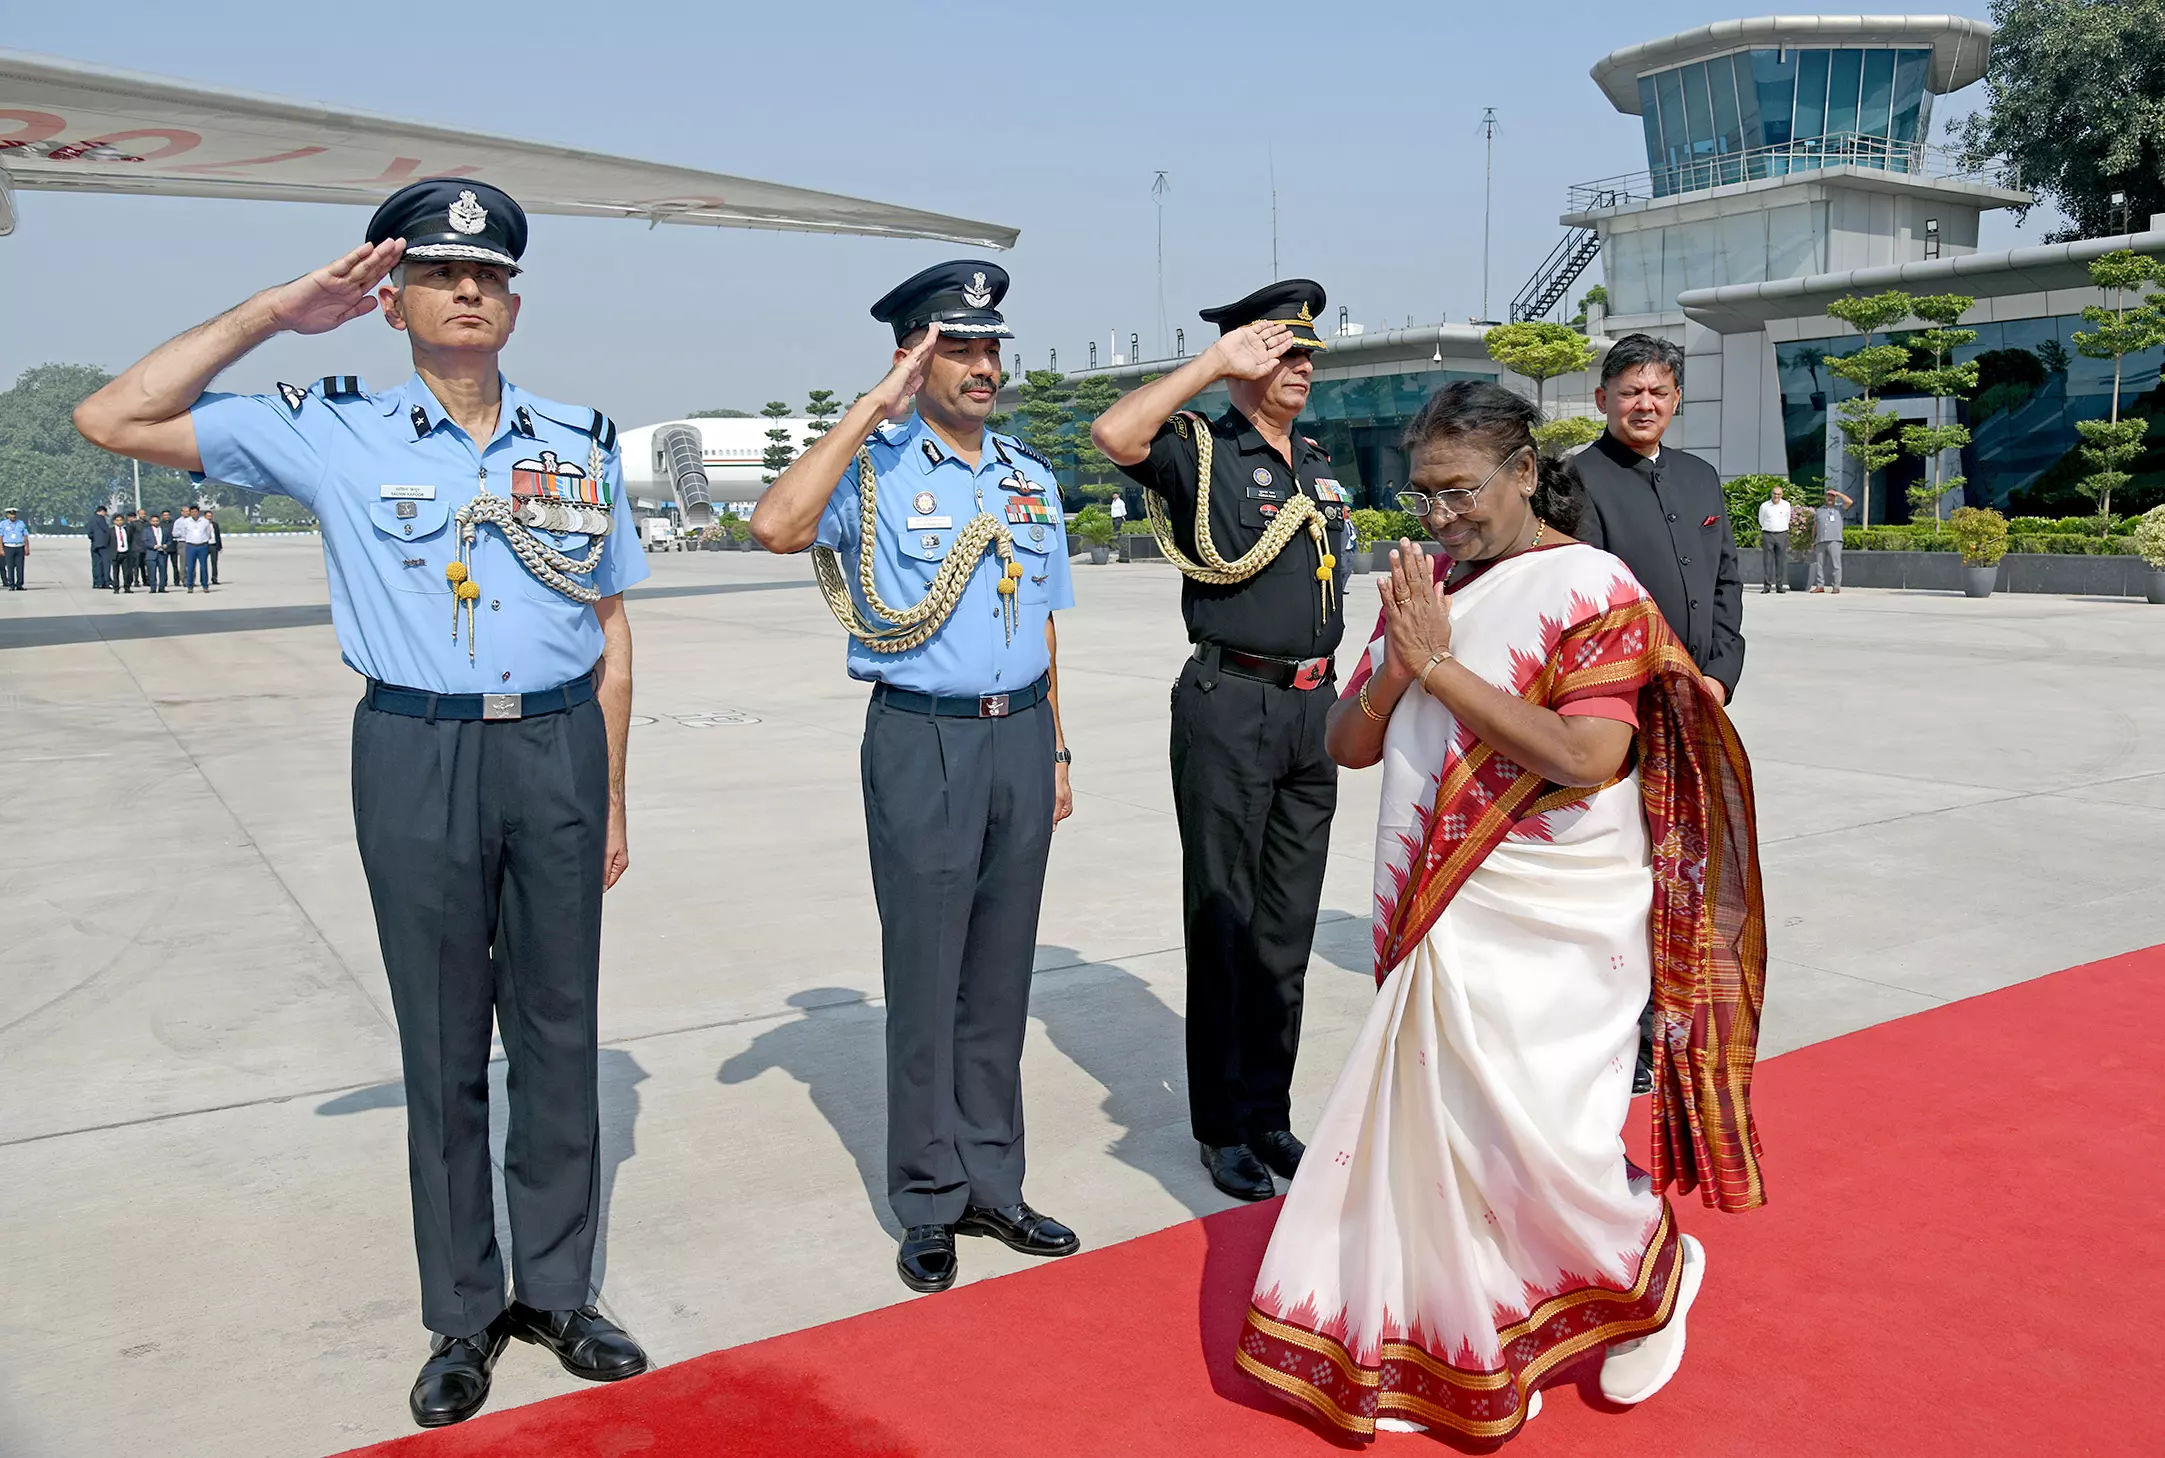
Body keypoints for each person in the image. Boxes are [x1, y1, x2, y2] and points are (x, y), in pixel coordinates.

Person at [75, 177, 652, 1429]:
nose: (468, 291)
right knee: (443, 1044)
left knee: (559, 1036)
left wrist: (608, 793)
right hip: (415, 749)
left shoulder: (579, 440)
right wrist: (278, 313)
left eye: (489, 275)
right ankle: (462, 1314)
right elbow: (113, 416)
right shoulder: (328, 426)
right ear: (390, 300)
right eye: (442, 273)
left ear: (512, 299)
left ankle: (558, 1291)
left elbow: (609, 630)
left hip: (553, 748)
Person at [1237, 381, 1767, 1443]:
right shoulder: (1425, 581)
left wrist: (1437, 663)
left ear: (1522, 472)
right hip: (1443, 914)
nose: (1438, 517)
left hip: (1556, 908)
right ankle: (1481, 1340)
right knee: (1455, 1145)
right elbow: (1347, 744)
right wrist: (1397, 664)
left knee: (1546, 1140)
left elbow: (1586, 758)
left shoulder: (1589, 586)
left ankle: (1655, 1278)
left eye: (1458, 492)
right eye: (1421, 496)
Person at [750, 261, 1081, 1296]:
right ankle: (929, 1197)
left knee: (998, 980)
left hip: (1019, 738)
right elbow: (774, 526)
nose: (983, 366)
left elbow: (1044, 623)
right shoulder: (873, 470)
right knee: (928, 978)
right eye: (958, 349)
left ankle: (994, 1180)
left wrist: (1058, 747)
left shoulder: (1027, 476)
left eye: (990, 348)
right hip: (921, 740)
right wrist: (870, 411)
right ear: (912, 358)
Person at [1092, 281, 1351, 1203]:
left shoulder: (1318, 461)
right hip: (1230, 699)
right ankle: (1222, 1128)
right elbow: (1113, 437)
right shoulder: (1200, 449)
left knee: (1285, 928)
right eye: (1282, 353)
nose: (1300, 370)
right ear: (1246, 360)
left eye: (1307, 355)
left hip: (1312, 713)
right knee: (1225, 919)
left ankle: (1270, 1113)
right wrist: (1209, 365)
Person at [1811, 487, 1853, 593]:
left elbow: (1849, 502)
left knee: (1836, 565)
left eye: (1832, 496)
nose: (1830, 498)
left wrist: (1838, 493)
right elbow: (1815, 526)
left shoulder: (1839, 508)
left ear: (1835, 498)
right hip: (1820, 540)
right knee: (1819, 565)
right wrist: (1813, 540)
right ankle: (1820, 586)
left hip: (1834, 540)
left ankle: (1836, 586)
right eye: (1828, 496)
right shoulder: (1820, 510)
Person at [1757, 482, 1792, 593]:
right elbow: (1761, 520)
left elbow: (1787, 518)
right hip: (1768, 534)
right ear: (1771, 494)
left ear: (1782, 495)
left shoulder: (1786, 505)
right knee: (1767, 561)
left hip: (1781, 534)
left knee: (1780, 561)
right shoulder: (1764, 506)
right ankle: (1767, 586)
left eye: (1779, 494)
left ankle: (1779, 586)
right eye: (1774, 494)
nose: (1776, 496)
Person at [178, 505, 214, 592]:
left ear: (198, 512)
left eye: (196, 512)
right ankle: (190, 586)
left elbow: (208, 533)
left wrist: (203, 540)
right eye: (192, 512)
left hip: (202, 546)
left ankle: (205, 585)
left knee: (204, 567)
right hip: (191, 546)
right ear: (190, 513)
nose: (194, 514)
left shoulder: (205, 521)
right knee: (190, 567)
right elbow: (184, 533)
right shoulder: (186, 521)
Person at [137, 512, 170, 592]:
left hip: (162, 553)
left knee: (163, 571)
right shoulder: (146, 530)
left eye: (157, 521)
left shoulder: (164, 530)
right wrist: (153, 546)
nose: (155, 522)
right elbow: (144, 541)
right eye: (153, 521)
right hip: (151, 553)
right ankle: (153, 588)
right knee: (152, 572)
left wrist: (166, 545)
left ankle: (162, 588)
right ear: (151, 522)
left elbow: (169, 540)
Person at [0, 508, 28, 589]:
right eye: (11, 514)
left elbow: (25, 536)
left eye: (14, 514)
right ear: (8, 515)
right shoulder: (3, 524)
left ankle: (19, 584)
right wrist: (1, 549)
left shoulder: (21, 523)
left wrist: (27, 547)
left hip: (19, 547)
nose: (13, 516)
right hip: (8, 547)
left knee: (20, 567)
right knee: (10, 566)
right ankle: (11, 585)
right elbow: (1, 537)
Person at [88, 506, 115, 588]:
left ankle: (97, 582)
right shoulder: (100, 519)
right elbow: (106, 530)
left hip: (95, 544)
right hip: (103, 544)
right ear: (101, 511)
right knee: (106, 563)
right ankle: (106, 582)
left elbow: (89, 533)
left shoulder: (91, 519)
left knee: (96, 564)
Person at [207, 509, 224, 584]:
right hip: (205, 545)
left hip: (213, 545)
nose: (209, 518)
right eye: (208, 516)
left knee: (214, 563)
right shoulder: (202, 525)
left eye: (210, 516)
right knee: (203, 563)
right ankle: (204, 579)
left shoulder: (215, 525)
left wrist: (220, 546)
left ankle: (214, 578)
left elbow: (218, 536)